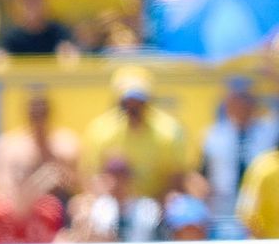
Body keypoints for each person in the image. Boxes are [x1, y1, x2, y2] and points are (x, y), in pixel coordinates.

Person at [80, 67, 188, 202]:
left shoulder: (169, 131)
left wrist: (155, 204)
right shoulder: (100, 130)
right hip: (113, 201)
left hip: (158, 201)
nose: (133, 107)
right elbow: (92, 177)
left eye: (138, 103)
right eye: (127, 103)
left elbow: (177, 179)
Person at [201, 78, 279, 224]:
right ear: (227, 104)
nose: (241, 106)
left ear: (254, 103)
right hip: (223, 208)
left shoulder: (270, 132)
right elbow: (204, 172)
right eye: (236, 100)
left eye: (245, 100)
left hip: (261, 207)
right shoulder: (213, 135)